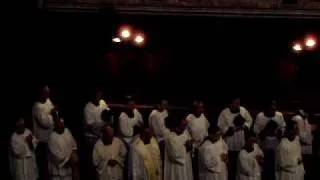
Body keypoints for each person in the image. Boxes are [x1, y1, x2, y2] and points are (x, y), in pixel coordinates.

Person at [217, 98, 252, 180]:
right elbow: (221, 127)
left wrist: (243, 126)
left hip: (240, 144)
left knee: (238, 168)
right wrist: (231, 129)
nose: (238, 105)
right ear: (231, 104)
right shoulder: (224, 113)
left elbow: (249, 120)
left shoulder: (243, 110)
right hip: (229, 145)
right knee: (229, 169)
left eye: (239, 103)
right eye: (236, 103)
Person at [254, 101, 285, 180]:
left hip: (276, 143)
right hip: (264, 144)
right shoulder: (260, 116)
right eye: (272, 106)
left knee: (276, 166)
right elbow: (256, 131)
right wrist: (266, 130)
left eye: (275, 106)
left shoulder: (279, 115)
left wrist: (278, 132)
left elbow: (283, 128)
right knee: (265, 167)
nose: (274, 108)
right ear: (267, 108)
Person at [32, 85, 55, 180]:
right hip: (42, 143)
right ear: (41, 93)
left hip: (50, 139)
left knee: (51, 167)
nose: (47, 95)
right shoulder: (37, 107)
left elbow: (54, 114)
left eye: (48, 92)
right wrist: (52, 113)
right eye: (45, 93)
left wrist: (52, 113)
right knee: (44, 168)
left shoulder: (48, 101)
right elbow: (46, 123)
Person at [163, 114, 193, 180]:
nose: (186, 121)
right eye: (184, 120)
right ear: (177, 123)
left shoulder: (185, 133)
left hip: (186, 165)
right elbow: (175, 154)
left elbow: (190, 144)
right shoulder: (170, 137)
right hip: (176, 167)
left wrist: (190, 146)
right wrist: (187, 148)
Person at [292, 110, 313, 180]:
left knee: (304, 166)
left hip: (305, 147)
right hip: (302, 146)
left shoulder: (306, 122)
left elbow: (308, 136)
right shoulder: (298, 119)